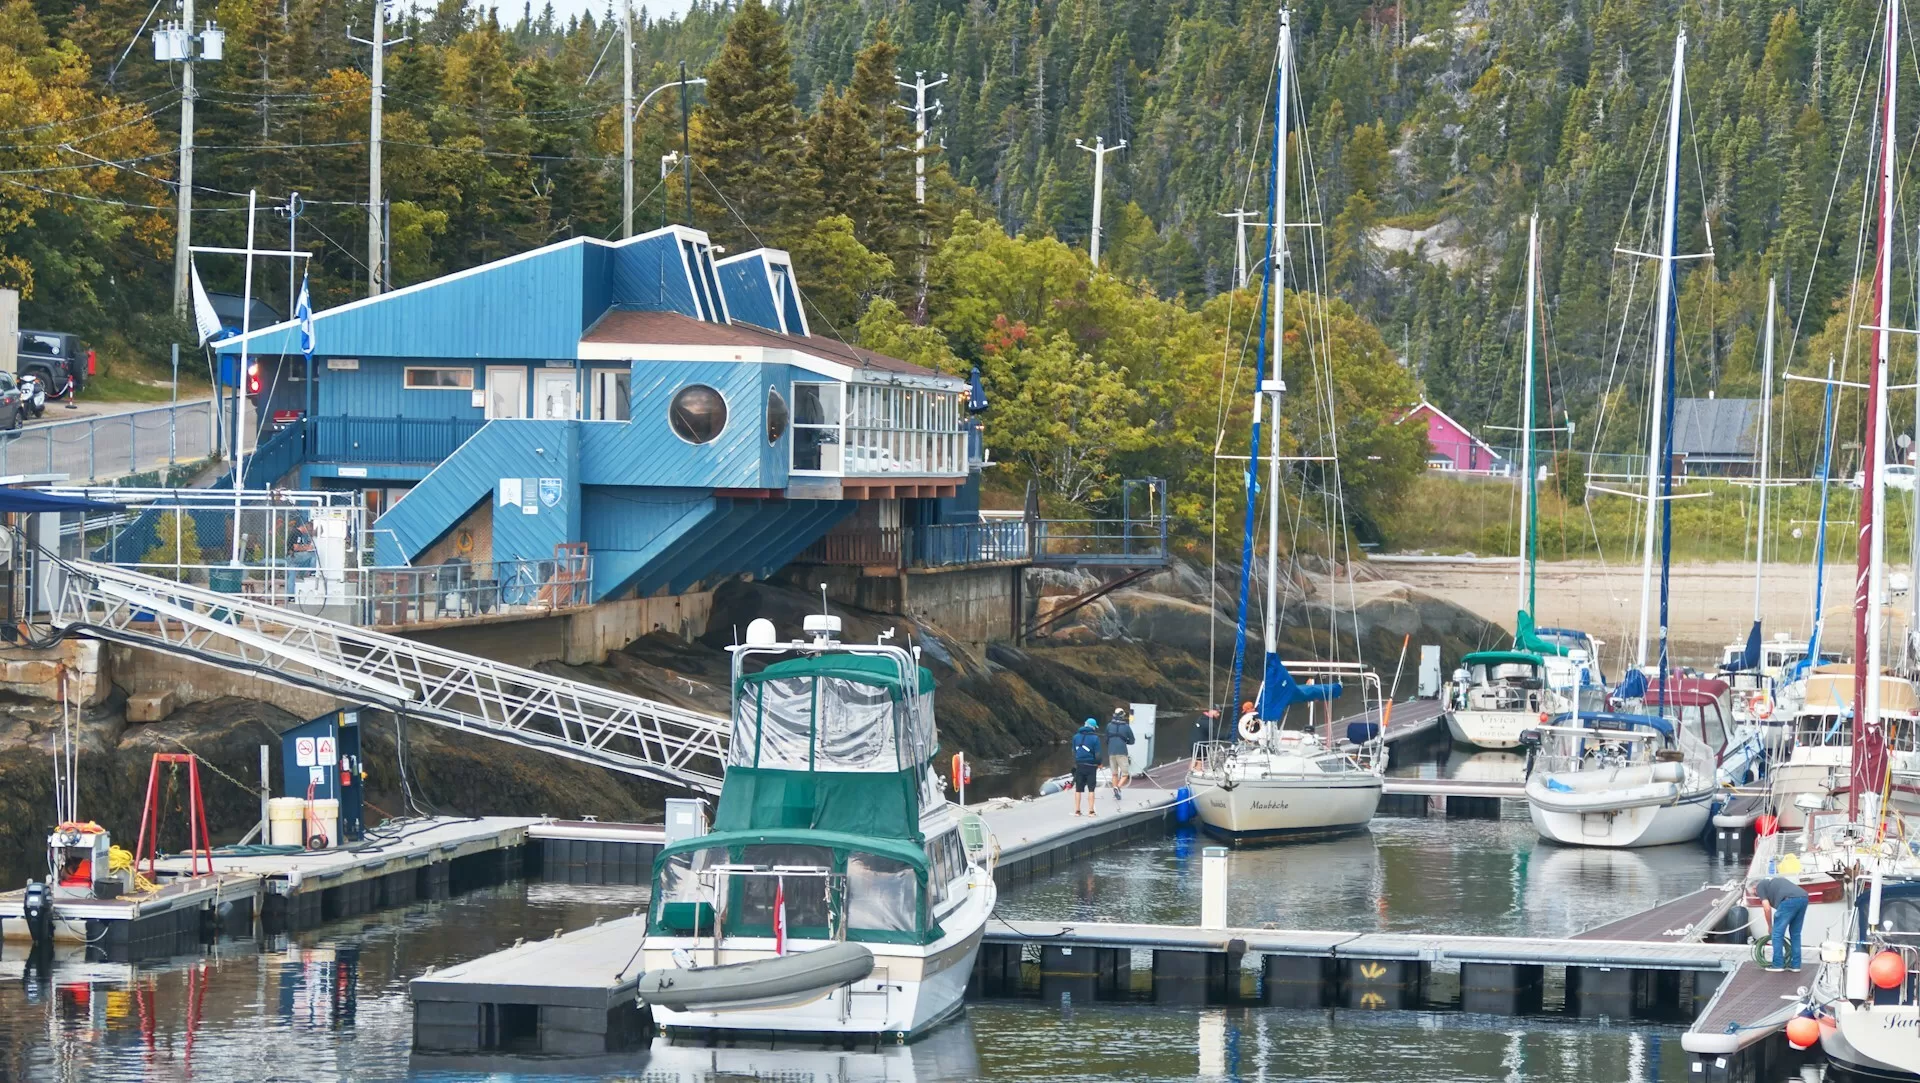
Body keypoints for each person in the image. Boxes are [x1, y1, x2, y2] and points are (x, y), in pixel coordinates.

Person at [1755, 875, 1809, 972]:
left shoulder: (1760, 886)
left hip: (1789, 900)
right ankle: (1796, 966)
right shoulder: (1774, 882)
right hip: (1804, 897)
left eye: (1756, 894)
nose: (1757, 896)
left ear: (1754, 887)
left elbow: (1766, 908)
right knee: (1795, 934)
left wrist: (1770, 927)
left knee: (1777, 934)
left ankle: (1777, 965)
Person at [1071, 718, 1102, 816]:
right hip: (1091, 766)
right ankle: (1091, 811)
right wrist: (1099, 763)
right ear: (1092, 727)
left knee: (1078, 789)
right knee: (1091, 789)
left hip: (1079, 765)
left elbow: (1073, 752)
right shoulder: (1095, 738)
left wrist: (1077, 761)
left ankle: (1077, 811)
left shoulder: (1075, 737)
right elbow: (1097, 754)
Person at [1106, 707, 1136, 797]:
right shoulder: (1126, 726)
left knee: (1114, 774)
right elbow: (1132, 741)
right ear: (1122, 716)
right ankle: (1117, 787)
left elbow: (1106, 740)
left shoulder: (1109, 725)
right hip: (1122, 752)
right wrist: (1125, 741)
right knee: (1125, 774)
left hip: (1111, 752)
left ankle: (1116, 791)